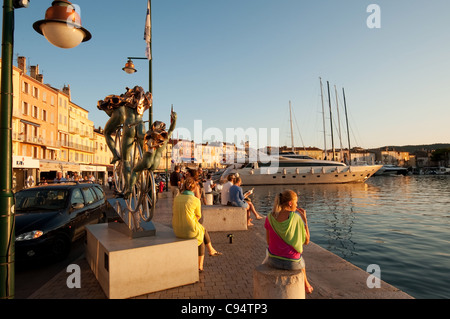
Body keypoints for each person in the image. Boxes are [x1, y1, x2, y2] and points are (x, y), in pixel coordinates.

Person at [264, 190, 313, 294]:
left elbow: (268, 242)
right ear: (290, 203)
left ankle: (307, 284)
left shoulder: (269, 217)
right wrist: (305, 221)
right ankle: (307, 285)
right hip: (292, 264)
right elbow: (307, 241)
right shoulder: (296, 218)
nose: (297, 205)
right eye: (296, 202)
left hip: (273, 260)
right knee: (300, 259)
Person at [172, 177, 222, 272]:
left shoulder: (177, 198)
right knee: (201, 235)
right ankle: (200, 265)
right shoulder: (195, 200)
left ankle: (211, 250)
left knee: (202, 229)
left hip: (176, 229)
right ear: (194, 188)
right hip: (188, 229)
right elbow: (198, 216)